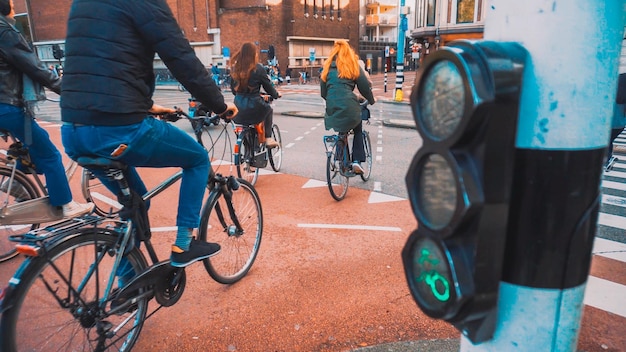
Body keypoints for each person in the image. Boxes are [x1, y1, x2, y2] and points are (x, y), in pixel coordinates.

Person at [60, 0, 238, 269]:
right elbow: (181, 59)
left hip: (73, 129)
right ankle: (184, 244)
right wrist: (220, 105)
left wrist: (147, 106)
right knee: (198, 159)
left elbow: (101, 63)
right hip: (120, 128)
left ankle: (126, 292)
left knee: (136, 204)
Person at [0, 0, 93, 217]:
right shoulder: (6, 32)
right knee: (50, 156)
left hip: (5, 106)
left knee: (31, 150)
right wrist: (68, 91)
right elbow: (35, 67)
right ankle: (65, 205)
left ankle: (14, 184)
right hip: (8, 106)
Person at [320, 40, 375, 174]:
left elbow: (323, 93)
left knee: (341, 129)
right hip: (350, 104)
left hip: (332, 105)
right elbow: (364, 88)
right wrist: (371, 100)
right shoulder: (353, 66)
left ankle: (340, 160)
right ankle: (356, 161)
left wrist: (334, 99)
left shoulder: (327, 68)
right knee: (357, 127)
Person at [230, 42, 281, 148]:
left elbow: (233, 90)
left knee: (242, 127)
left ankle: (245, 151)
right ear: (254, 54)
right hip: (254, 105)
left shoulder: (236, 68)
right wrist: (276, 95)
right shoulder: (258, 68)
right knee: (268, 110)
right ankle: (268, 138)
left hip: (238, 107)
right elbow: (268, 87)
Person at [607, 72, 626, 171]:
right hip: (621, 125)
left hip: (610, 124)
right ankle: (608, 159)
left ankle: (608, 160)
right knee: (609, 140)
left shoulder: (612, 94)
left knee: (607, 141)